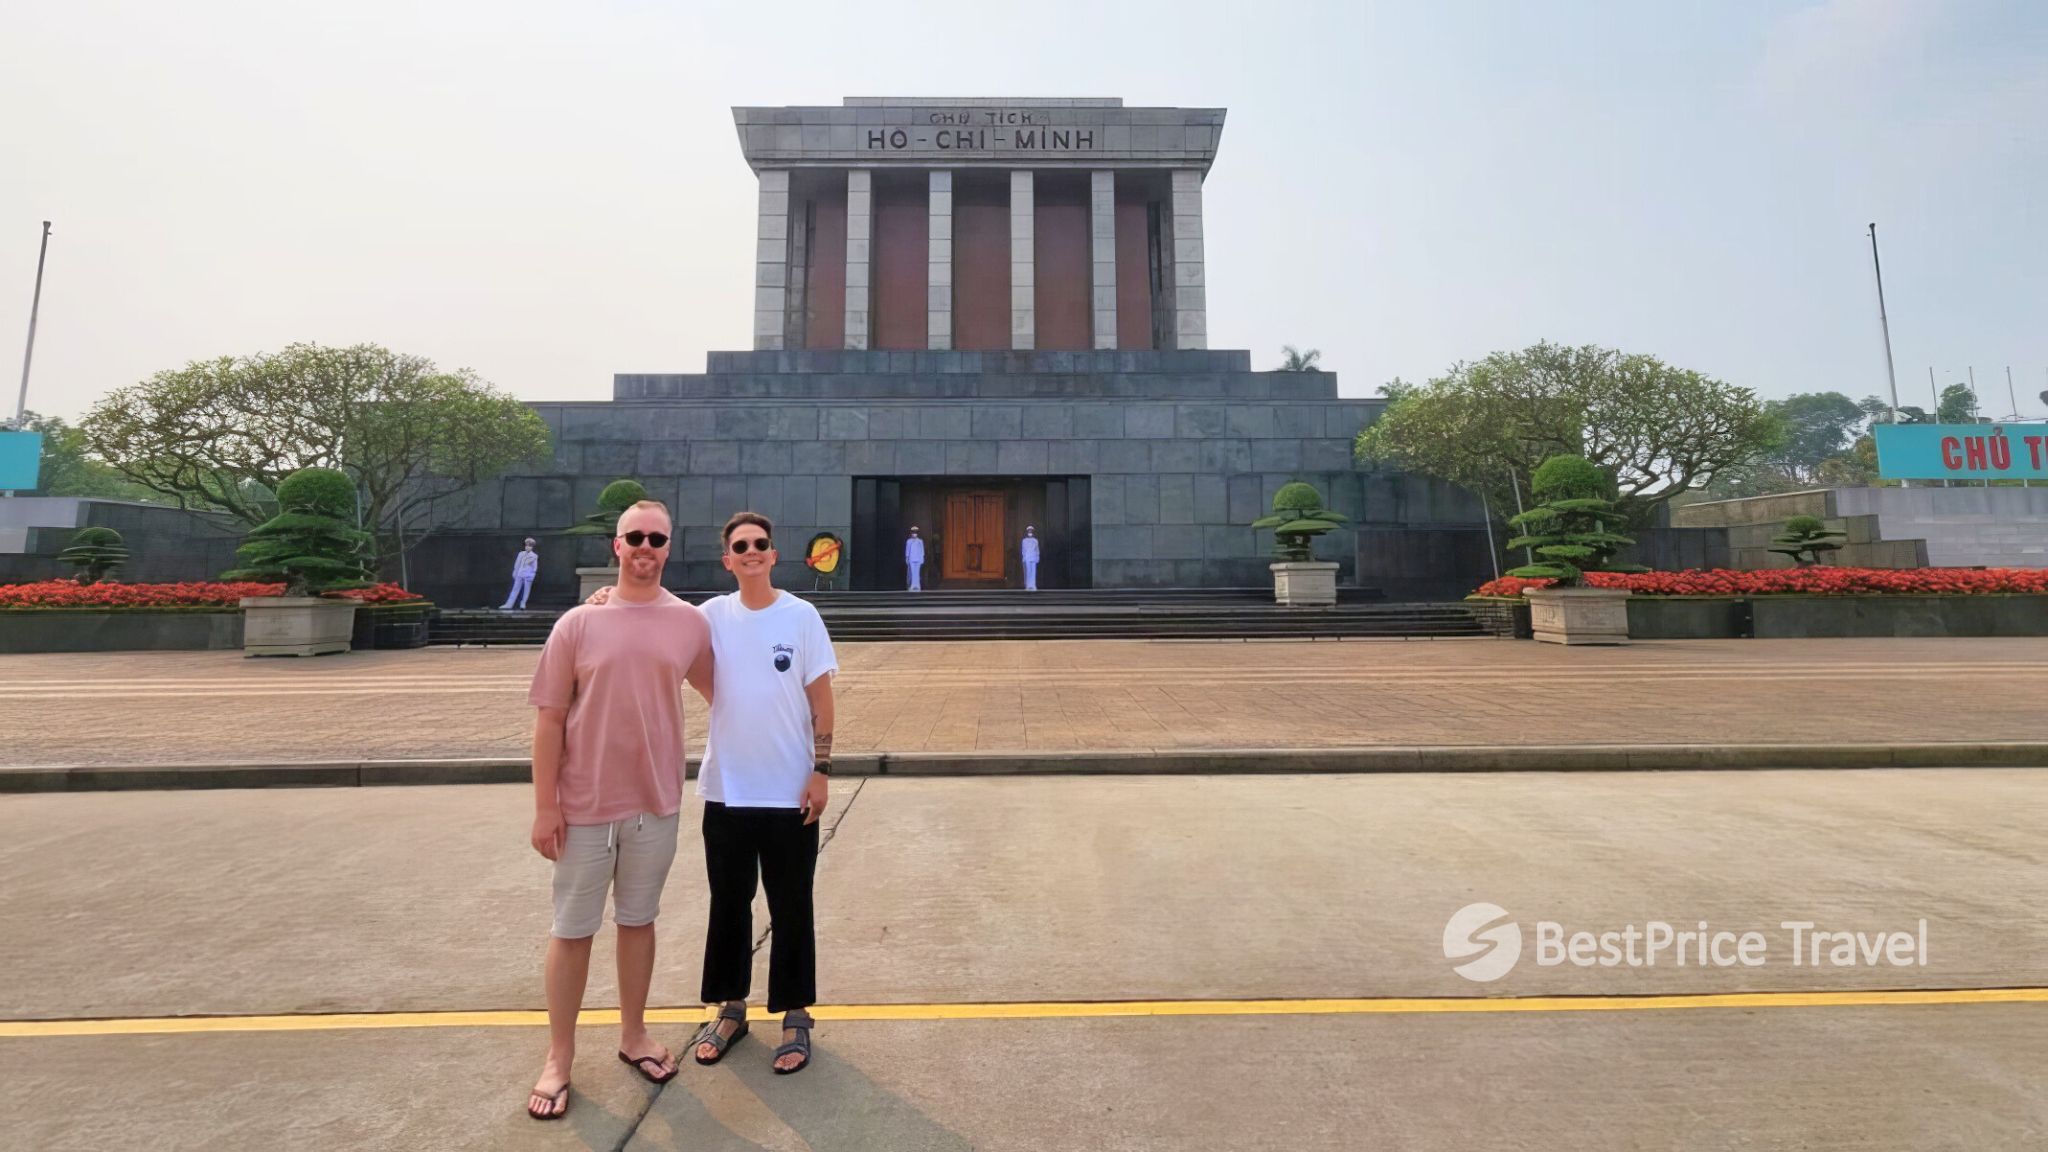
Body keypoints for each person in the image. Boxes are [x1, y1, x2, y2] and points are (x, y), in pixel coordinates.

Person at [523, 501, 713, 1121]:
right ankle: (559, 1056)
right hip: (583, 807)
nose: (645, 546)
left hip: (654, 804)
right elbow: (550, 719)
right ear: (616, 544)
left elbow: (729, 693)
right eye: (635, 536)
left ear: (669, 546)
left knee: (639, 921)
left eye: (657, 538)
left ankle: (633, 1034)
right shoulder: (577, 624)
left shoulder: (688, 623)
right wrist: (544, 806)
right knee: (572, 931)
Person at [690, 511, 837, 1075]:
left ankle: (796, 1016)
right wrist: (606, 597)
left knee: (791, 905)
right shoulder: (708, 617)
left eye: (761, 545)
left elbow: (822, 700)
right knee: (728, 905)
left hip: (789, 791)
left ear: (774, 556)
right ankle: (729, 1008)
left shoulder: (801, 616)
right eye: (740, 546)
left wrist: (820, 769)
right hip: (727, 789)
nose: (751, 552)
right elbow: (655, 624)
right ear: (727, 559)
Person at [502, 538, 539, 610]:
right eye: (527, 545)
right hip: (519, 574)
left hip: (528, 575)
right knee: (515, 589)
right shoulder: (521, 554)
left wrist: (532, 575)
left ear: (532, 547)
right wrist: (515, 572)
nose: (528, 547)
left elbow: (534, 567)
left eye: (530, 546)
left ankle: (523, 603)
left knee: (526, 590)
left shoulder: (534, 556)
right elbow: (517, 564)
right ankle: (509, 604)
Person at [905, 525, 924, 591]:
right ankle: (912, 585)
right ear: (911, 533)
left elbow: (922, 550)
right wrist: (907, 557)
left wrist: (922, 558)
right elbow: (907, 550)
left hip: (918, 558)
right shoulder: (909, 541)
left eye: (915, 533)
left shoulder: (920, 541)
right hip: (911, 558)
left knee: (917, 572)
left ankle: (917, 586)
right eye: (913, 533)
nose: (914, 534)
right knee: (912, 572)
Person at [1021, 525, 1040, 591]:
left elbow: (1037, 550)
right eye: (1029, 530)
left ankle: (1033, 585)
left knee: (1033, 572)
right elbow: (1023, 550)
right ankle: (1028, 585)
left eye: (1031, 530)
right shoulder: (1024, 541)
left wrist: (1037, 557)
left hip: (1033, 557)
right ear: (1027, 531)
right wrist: (1024, 558)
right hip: (1027, 557)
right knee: (1028, 572)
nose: (1030, 531)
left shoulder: (1035, 540)